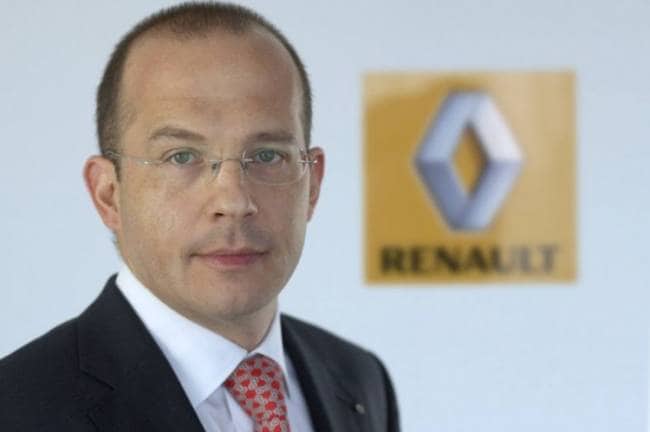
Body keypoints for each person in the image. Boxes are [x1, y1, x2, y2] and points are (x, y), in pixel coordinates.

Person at [0, 2, 399, 431]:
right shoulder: (17, 410)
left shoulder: (359, 380)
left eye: (267, 155)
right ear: (108, 194)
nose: (234, 200)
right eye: (181, 156)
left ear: (312, 184)